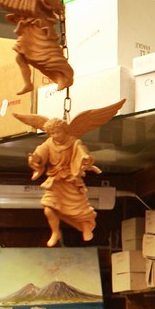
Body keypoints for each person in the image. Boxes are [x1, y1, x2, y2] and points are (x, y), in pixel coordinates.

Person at [14, 100, 124, 247]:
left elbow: (82, 152)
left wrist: (85, 159)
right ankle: (55, 232)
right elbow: (40, 153)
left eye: (57, 132)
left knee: (78, 210)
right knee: (48, 208)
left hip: (70, 180)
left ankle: (85, 227)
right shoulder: (49, 143)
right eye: (51, 133)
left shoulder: (73, 142)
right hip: (55, 181)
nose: (54, 135)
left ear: (65, 130)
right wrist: (35, 158)